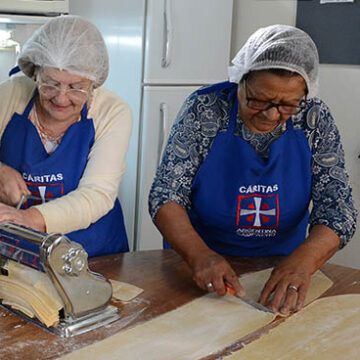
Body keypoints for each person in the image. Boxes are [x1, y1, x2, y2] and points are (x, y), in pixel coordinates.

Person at [149, 25, 357, 314]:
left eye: (287, 105)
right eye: (258, 99)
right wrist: (199, 256)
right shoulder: (205, 109)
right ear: (239, 80)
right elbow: (165, 196)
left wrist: (303, 263)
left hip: (284, 267)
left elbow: (338, 212)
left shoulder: (314, 119)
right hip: (199, 265)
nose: (271, 114)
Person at [0, 15, 132, 257]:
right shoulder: (11, 94)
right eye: (50, 84)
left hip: (94, 255)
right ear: (35, 72)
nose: (61, 98)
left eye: (76, 87)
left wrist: (29, 218)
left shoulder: (112, 111)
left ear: (94, 81)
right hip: (19, 254)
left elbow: (97, 194)